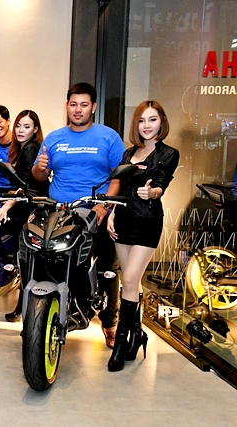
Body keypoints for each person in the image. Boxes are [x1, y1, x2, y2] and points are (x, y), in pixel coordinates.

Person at [32, 82, 125, 348]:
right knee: (46, 257)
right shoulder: (54, 138)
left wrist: (103, 206)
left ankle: (110, 322)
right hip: (59, 211)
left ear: (93, 107)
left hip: (96, 210)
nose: (78, 109)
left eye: (84, 105)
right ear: (67, 106)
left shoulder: (108, 137)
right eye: (73, 104)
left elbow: (118, 176)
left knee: (107, 267)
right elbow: (39, 176)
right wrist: (40, 169)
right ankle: (42, 311)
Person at [106, 100, 179, 371]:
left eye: (152, 119)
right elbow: (121, 187)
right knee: (131, 284)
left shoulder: (168, 154)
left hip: (147, 222)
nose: (146, 125)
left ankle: (121, 344)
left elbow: (161, 184)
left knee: (130, 279)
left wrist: (152, 192)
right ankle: (137, 334)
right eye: (141, 120)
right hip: (123, 221)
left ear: (162, 122)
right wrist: (112, 212)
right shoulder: (128, 154)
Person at [0, 110, 50, 322]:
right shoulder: (22, 149)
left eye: (26, 126)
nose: (20, 130)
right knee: (24, 259)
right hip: (28, 203)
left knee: (26, 260)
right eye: (18, 125)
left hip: (33, 207)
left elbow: (26, 187)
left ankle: (24, 309)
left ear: (35, 130)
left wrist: (7, 206)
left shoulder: (31, 149)